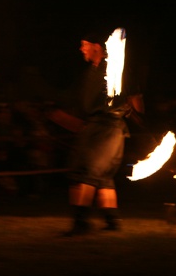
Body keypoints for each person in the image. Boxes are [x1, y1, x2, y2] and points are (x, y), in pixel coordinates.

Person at [47, 30, 143, 236]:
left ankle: (80, 222)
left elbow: (135, 98)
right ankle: (112, 220)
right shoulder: (88, 73)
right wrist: (59, 114)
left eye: (84, 44)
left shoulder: (115, 68)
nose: (81, 48)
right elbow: (78, 101)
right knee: (102, 176)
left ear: (97, 47)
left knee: (87, 171)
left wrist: (134, 108)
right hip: (94, 128)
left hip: (110, 129)